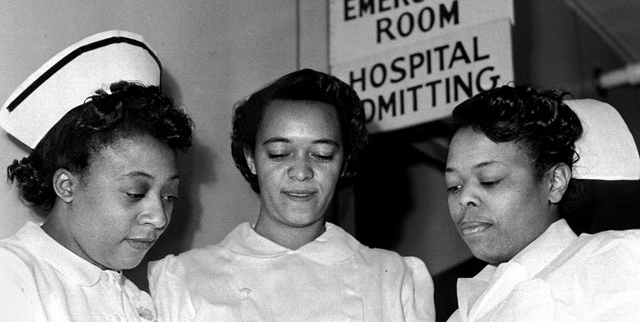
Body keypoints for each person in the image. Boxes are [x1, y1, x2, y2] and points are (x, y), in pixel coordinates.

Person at [149, 68, 435, 322]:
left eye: (322, 155)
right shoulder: (184, 278)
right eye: (279, 153)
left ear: (344, 161)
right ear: (251, 158)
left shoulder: (394, 278)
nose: (301, 172)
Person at [0, 31, 194, 322]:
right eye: (135, 193)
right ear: (67, 186)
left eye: (169, 197)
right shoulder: (11, 277)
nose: (159, 218)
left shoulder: (135, 300)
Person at [444, 85, 640, 322]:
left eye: (490, 180)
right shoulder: (463, 313)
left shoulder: (614, 259)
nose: (464, 198)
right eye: (454, 185)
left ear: (555, 182)